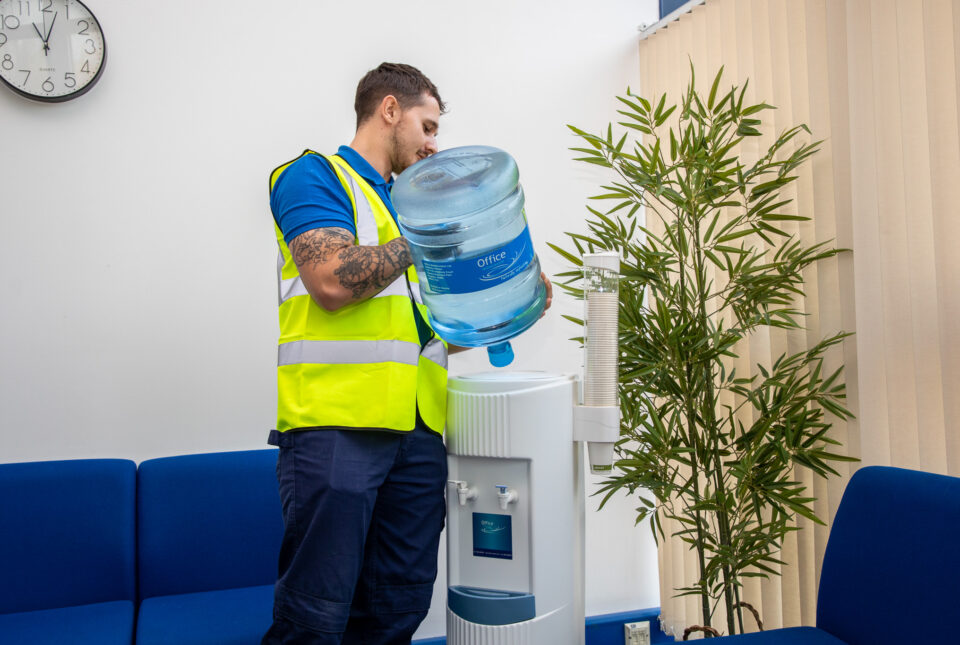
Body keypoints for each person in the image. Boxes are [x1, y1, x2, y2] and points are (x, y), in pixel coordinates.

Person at [262, 62, 551, 645]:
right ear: (389, 110)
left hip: (418, 433)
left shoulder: (406, 205)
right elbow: (333, 280)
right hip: (337, 427)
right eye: (427, 125)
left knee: (398, 607)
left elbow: (426, 333)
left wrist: (511, 300)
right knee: (315, 618)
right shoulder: (314, 177)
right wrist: (428, 235)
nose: (433, 144)